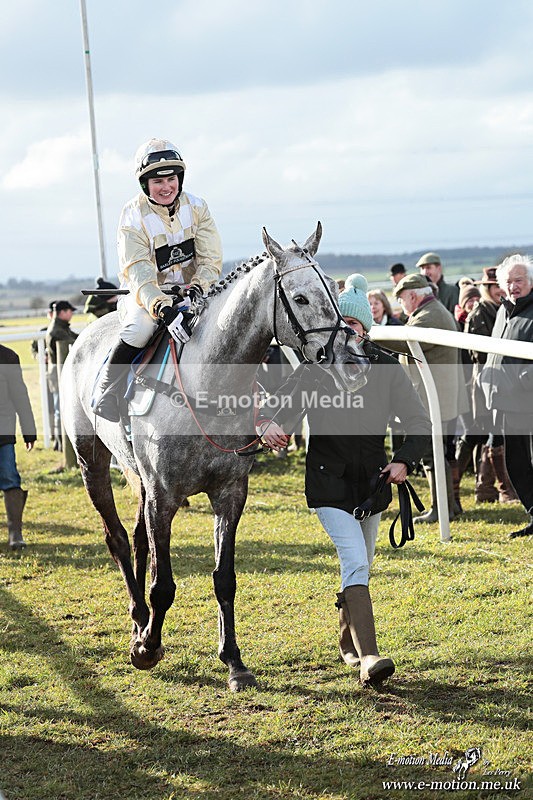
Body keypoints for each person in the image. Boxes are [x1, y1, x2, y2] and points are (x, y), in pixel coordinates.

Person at [257, 273, 431, 687]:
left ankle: (347, 641)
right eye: (342, 324)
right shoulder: (316, 368)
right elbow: (279, 409)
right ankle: (370, 656)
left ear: (365, 329)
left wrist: (405, 460)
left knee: (362, 565)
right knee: (355, 560)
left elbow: (420, 422)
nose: (347, 332)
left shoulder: (387, 367)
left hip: (372, 486)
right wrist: (268, 425)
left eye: (354, 326)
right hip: (327, 484)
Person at [92, 138, 223, 422]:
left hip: (194, 293)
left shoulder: (198, 206)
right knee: (139, 330)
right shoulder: (132, 214)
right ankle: (108, 390)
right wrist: (162, 308)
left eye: (171, 179)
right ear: (145, 185)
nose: (166, 187)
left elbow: (211, 258)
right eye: (157, 181)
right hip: (145, 297)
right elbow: (138, 271)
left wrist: (197, 289)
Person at [393, 273, 465, 521]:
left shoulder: (429, 315)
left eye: (402, 299)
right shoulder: (431, 311)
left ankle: (441, 509)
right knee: (437, 453)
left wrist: (369, 334)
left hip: (434, 399)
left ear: (412, 295)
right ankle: (448, 506)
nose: (401, 305)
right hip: (438, 397)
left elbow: (404, 342)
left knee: (432, 455)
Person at [480, 254, 533, 538]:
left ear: (530, 282)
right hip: (506, 399)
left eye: (519, 280)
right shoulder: (503, 311)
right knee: (516, 461)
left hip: (528, 398)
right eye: (509, 281)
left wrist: (526, 380)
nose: (513, 286)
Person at [463, 267, 516, 504]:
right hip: (486, 381)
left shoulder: (502, 310)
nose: (499, 290)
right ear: (487, 289)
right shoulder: (480, 313)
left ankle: (486, 488)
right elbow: (479, 354)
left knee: (492, 434)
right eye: (495, 287)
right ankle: (490, 489)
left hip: (501, 382)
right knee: (484, 434)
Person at [0, 344, 37, 549]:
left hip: (3, 432)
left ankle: (16, 534)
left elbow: (20, 395)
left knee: (10, 478)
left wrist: (29, 430)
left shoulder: (8, 357)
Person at [46, 301, 78, 451]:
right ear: (62, 312)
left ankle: (61, 444)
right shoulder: (58, 330)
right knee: (60, 410)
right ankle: (61, 445)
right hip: (58, 375)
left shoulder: (60, 327)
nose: (71, 314)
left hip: (57, 374)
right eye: (69, 311)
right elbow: (74, 343)